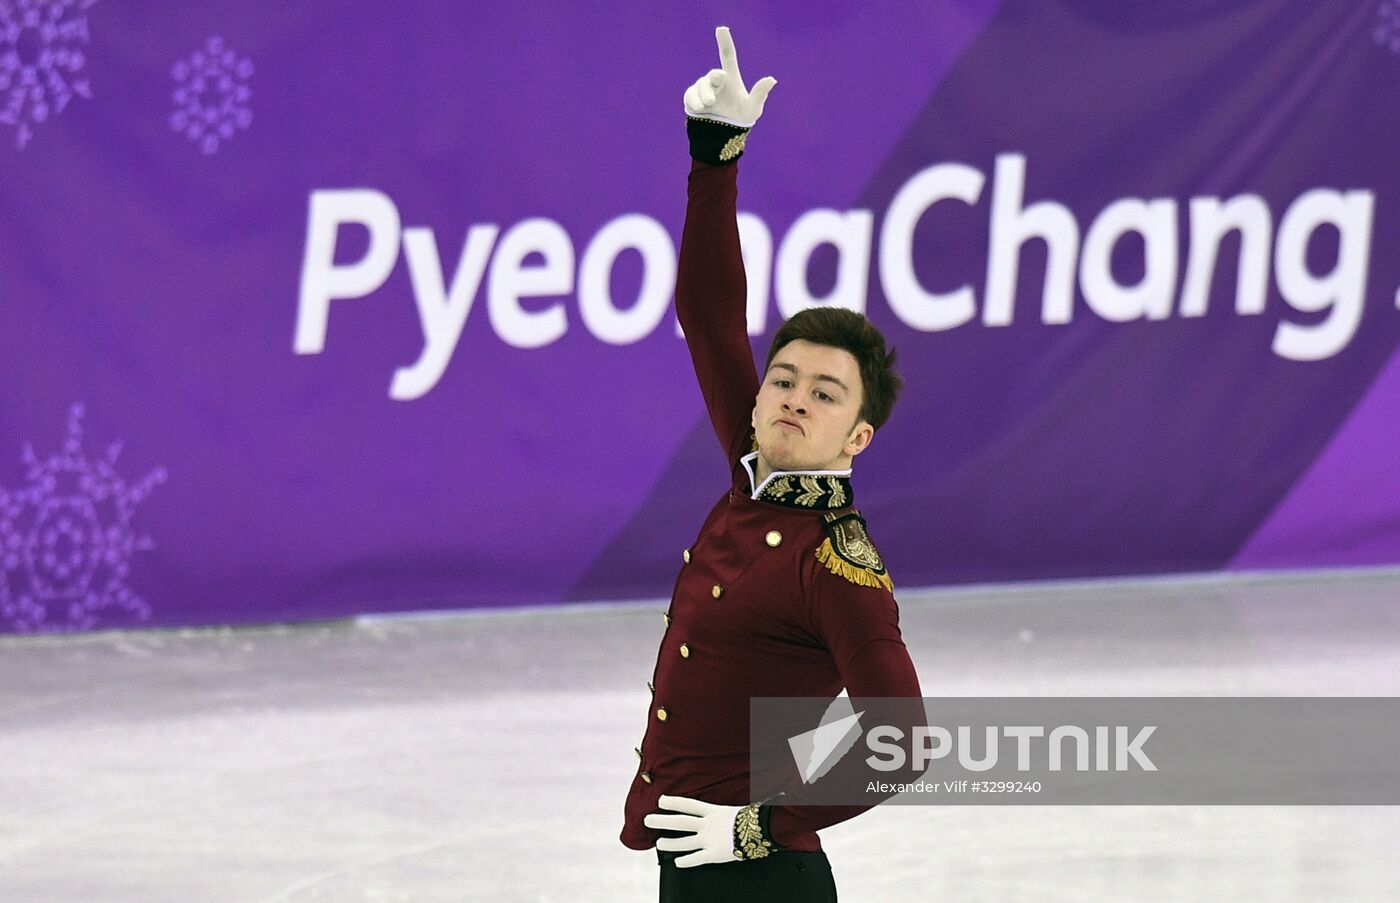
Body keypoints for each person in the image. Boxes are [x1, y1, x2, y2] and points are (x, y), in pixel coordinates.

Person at [619, 26, 924, 902]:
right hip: (696, 866)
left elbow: (898, 737)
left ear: (856, 439)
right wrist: (715, 161)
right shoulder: (751, 472)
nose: (793, 396)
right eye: (782, 377)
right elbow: (713, 317)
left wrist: (762, 821)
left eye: (825, 394)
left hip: (760, 878)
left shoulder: (836, 562)